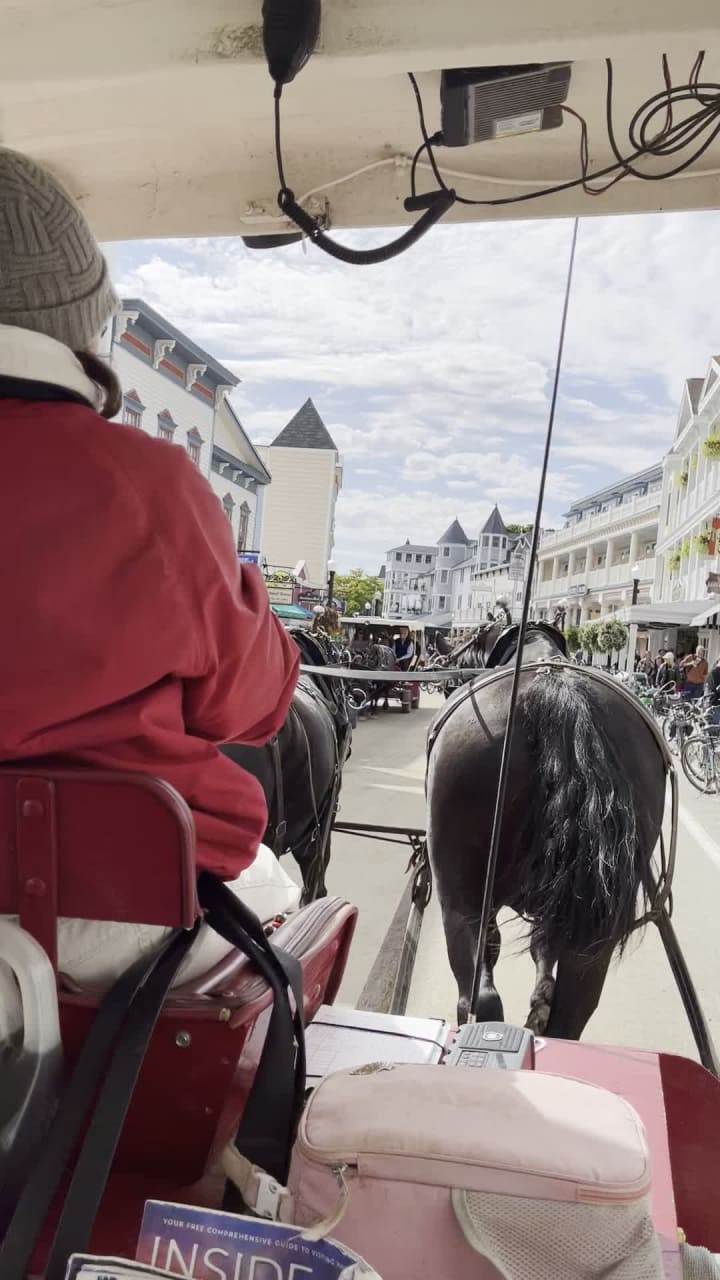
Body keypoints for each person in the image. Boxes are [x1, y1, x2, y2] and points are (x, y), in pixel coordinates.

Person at [0, 147, 301, 1019]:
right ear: (79, 325)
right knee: (294, 908)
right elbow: (251, 708)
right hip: (106, 919)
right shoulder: (153, 483)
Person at [706, 657, 720, 725]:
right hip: (714, 704)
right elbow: (715, 689)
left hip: (715, 703)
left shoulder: (713, 672)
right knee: (713, 728)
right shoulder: (714, 672)